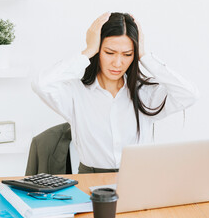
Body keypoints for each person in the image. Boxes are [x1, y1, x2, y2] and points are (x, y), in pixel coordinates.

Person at [32, 12, 199, 174]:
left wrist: (144, 56)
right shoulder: (76, 92)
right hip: (91, 181)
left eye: (127, 54)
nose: (117, 63)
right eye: (109, 53)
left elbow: (189, 94)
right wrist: (88, 50)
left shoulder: (145, 94)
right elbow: (41, 84)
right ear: (98, 50)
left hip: (139, 179)